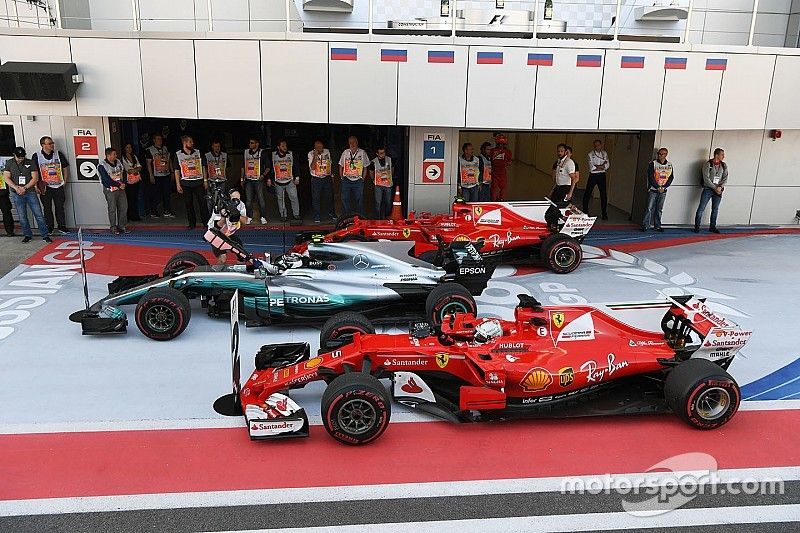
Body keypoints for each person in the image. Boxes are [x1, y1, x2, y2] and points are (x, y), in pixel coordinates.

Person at [3, 147, 51, 243]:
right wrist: (16, 188)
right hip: (16, 193)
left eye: (22, 157)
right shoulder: (9, 163)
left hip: (30, 192)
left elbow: (35, 178)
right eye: (19, 157)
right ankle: (27, 235)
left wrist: (24, 188)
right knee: (22, 216)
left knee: (39, 214)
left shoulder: (30, 162)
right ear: (14, 155)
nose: (21, 159)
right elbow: (6, 177)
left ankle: (45, 235)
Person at [31, 136, 69, 235]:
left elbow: (65, 167)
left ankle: (62, 226)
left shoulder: (58, 154)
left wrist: (65, 181)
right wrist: (35, 186)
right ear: (43, 145)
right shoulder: (36, 156)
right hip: (45, 186)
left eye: (52, 143)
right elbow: (33, 172)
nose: (52, 145)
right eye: (50, 143)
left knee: (60, 207)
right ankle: (50, 226)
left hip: (58, 185)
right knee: (47, 208)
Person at [172, 135, 209, 230]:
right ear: (184, 143)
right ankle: (192, 223)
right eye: (190, 142)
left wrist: (205, 180)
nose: (192, 143)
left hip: (198, 182)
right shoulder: (178, 154)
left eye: (192, 142)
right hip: (186, 183)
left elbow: (204, 167)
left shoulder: (198, 152)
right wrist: (177, 184)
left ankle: (206, 223)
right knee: (188, 204)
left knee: (203, 203)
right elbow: (176, 170)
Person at [207, 189, 249, 265]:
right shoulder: (220, 205)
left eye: (238, 199)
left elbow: (245, 222)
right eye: (234, 199)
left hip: (229, 233)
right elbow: (217, 226)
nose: (236, 201)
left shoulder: (241, 205)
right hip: (216, 234)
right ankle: (217, 273)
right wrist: (224, 216)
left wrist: (237, 214)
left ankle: (239, 272)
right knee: (223, 258)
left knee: (242, 254)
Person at [694, 148, 727, 234]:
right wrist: (714, 187)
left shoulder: (723, 165)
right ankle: (697, 226)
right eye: (722, 155)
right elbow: (706, 179)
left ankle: (712, 226)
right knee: (701, 207)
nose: (723, 156)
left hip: (719, 189)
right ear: (716, 155)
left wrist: (720, 187)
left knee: (715, 209)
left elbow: (725, 177)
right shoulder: (708, 164)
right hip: (708, 189)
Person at [268, 139, 301, 224]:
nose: (285, 147)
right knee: (280, 199)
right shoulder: (273, 155)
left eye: (285, 146)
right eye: (283, 146)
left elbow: (296, 166)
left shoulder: (291, 154)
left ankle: (296, 214)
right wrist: (268, 178)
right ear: (278, 147)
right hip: (278, 181)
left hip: (290, 180)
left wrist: (297, 177)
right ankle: (283, 215)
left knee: (294, 197)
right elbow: (269, 167)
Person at [641, 148, 673, 233]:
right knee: (649, 208)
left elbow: (671, 177)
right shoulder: (653, 164)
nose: (659, 155)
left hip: (663, 190)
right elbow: (650, 177)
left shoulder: (669, 165)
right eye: (658, 153)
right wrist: (657, 187)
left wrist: (665, 187)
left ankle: (657, 226)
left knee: (659, 209)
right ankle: (645, 225)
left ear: (666, 154)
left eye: (661, 154)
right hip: (653, 190)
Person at [98, 147, 128, 235]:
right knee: (112, 208)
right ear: (108, 155)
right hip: (110, 189)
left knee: (123, 207)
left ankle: (121, 226)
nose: (116, 156)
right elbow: (106, 180)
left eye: (116, 154)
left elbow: (123, 173)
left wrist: (124, 183)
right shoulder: (102, 165)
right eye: (114, 154)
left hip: (120, 188)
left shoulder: (118, 162)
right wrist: (119, 185)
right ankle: (113, 227)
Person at [338, 136, 370, 216]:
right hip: (347, 179)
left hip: (358, 180)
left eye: (354, 142)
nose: (352, 144)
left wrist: (362, 178)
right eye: (350, 143)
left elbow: (366, 167)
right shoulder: (345, 152)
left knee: (359, 199)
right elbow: (341, 166)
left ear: (357, 142)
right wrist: (342, 177)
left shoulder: (362, 153)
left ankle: (360, 216)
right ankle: (347, 215)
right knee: (345, 198)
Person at [241, 136, 270, 224]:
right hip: (249, 179)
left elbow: (268, 166)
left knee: (261, 199)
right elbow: (243, 166)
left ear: (257, 144)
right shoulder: (246, 152)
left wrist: (263, 175)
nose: (250, 144)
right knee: (249, 200)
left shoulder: (262, 152)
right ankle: (249, 217)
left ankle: (263, 217)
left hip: (258, 179)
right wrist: (242, 178)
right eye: (250, 143)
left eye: (252, 143)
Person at [145, 133, 174, 218]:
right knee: (156, 194)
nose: (160, 141)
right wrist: (151, 175)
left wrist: (172, 171)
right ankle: (153, 212)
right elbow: (148, 163)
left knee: (167, 194)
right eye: (157, 139)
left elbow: (169, 160)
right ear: (154, 140)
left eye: (161, 139)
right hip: (156, 175)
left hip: (166, 174)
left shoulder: (165, 148)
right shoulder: (149, 150)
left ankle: (167, 211)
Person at [308, 139, 336, 224]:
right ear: (315, 148)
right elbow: (312, 167)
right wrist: (316, 156)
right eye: (319, 148)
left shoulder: (327, 151)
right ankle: (317, 215)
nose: (321, 150)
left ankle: (331, 212)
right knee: (316, 198)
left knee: (329, 196)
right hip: (316, 179)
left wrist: (332, 176)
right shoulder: (310, 154)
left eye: (322, 148)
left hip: (326, 177)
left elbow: (330, 164)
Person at [585, 139, 610, 220]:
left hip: (602, 175)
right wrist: (601, 166)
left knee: (603, 194)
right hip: (593, 176)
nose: (597, 147)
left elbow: (607, 166)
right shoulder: (590, 154)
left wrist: (598, 166)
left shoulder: (604, 153)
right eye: (595, 145)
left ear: (601, 145)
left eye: (598, 145)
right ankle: (585, 211)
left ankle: (604, 213)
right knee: (587, 193)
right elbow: (592, 167)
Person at [369, 147, 395, 219]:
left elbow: (392, 170)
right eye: (381, 153)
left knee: (388, 202)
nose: (383, 154)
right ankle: (378, 219)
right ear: (377, 154)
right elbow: (371, 173)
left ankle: (387, 217)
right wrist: (374, 180)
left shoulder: (389, 159)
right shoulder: (373, 162)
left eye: (384, 152)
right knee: (378, 203)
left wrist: (389, 177)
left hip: (388, 184)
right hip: (378, 185)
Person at [121, 143, 142, 222]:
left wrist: (134, 170)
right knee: (129, 199)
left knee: (135, 199)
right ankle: (129, 216)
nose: (129, 149)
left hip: (136, 180)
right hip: (129, 182)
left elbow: (140, 167)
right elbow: (128, 170)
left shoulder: (134, 156)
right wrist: (135, 169)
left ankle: (135, 215)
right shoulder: (123, 158)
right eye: (127, 147)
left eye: (130, 147)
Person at [489, 134, 512, 201]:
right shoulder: (508, 151)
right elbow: (509, 162)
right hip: (500, 172)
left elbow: (489, 160)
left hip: (496, 172)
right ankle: (501, 200)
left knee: (495, 188)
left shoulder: (492, 151)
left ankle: (494, 200)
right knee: (502, 188)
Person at [0, 160, 14, 236]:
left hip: (3, 192)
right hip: (3, 191)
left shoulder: (4, 161)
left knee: (6, 212)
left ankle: (9, 231)